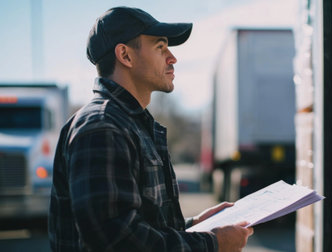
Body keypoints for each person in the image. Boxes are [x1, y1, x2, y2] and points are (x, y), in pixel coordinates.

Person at [48, 6, 253, 252]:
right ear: (125, 55)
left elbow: (141, 228)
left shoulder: (129, 123)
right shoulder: (101, 127)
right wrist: (213, 243)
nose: (172, 57)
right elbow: (117, 241)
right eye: (160, 47)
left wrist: (195, 227)